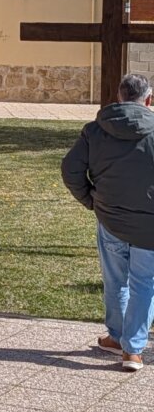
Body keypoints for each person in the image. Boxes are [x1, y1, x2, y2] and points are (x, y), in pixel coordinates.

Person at [61, 73, 154, 372]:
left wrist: (91, 200)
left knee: (116, 281)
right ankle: (133, 350)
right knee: (144, 285)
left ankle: (118, 336)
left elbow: (71, 169)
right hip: (149, 225)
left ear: (119, 96)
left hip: (110, 219)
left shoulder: (95, 130)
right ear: (149, 100)